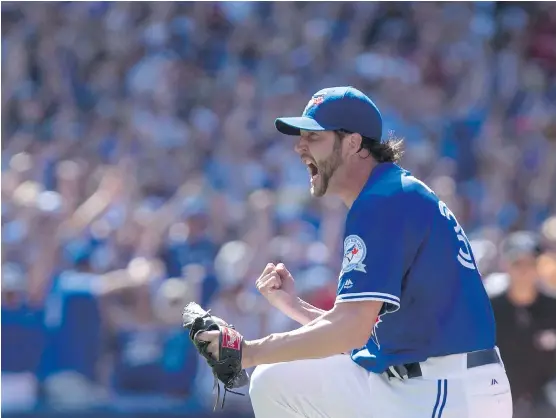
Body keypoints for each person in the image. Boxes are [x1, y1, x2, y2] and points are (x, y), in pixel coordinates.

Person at [197, 86, 513, 417]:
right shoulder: (391, 192)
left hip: (445, 391)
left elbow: (351, 329)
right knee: (276, 382)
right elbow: (362, 336)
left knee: (272, 377)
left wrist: (246, 352)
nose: (300, 147)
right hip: (432, 383)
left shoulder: (382, 202)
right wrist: (295, 306)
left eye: (314, 137)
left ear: (353, 143)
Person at [486, 231, 556, 418]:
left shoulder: (553, 306)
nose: (524, 270)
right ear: (505, 265)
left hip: (545, 398)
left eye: (530, 263)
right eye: (517, 263)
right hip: (500, 394)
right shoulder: (490, 308)